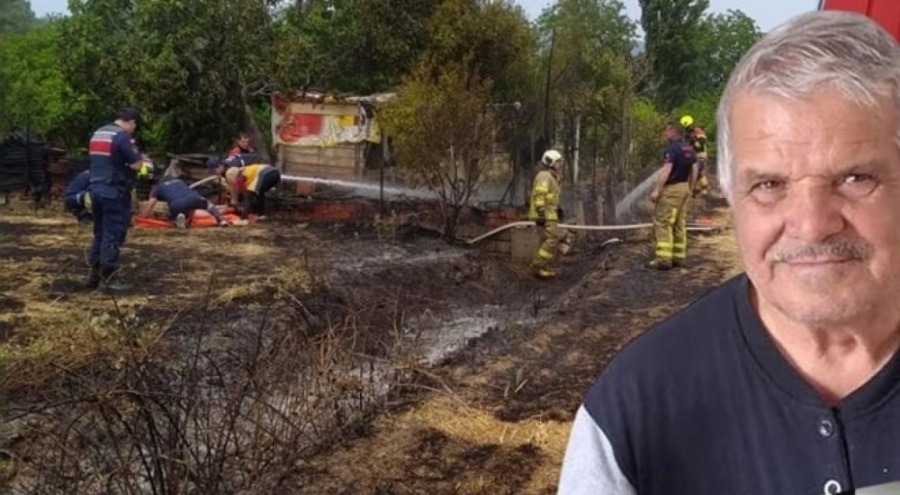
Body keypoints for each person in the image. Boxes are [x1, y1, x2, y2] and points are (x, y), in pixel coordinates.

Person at [557, 10, 900, 495]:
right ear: (732, 196)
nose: (811, 224)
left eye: (854, 177)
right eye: (769, 184)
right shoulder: (635, 413)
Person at [85, 108, 152, 291]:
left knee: (99, 232)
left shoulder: (98, 133)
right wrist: (143, 166)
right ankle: (110, 278)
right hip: (113, 190)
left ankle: (94, 276)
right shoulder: (122, 136)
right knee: (113, 232)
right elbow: (137, 164)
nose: (133, 131)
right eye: (134, 127)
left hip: (95, 188)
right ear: (131, 122)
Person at [646, 123, 697, 270]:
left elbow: (666, 170)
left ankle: (663, 259)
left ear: (673, 132)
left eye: (666, 130)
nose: (664, 133)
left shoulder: (671, 149)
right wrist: (691, 188)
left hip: (671, 190)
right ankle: (678, 257)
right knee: (679, 223)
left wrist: (657, 190)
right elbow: (694, 169)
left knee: (663, 222)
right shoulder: (689, 148)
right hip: (684, 188)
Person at [139, 165, 229, 228]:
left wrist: (141, 219)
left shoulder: (157, 188)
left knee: (183, 210)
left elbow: (150, 205)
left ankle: (180, 217)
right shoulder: (179, 181)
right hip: (193, 198)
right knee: (208, 205)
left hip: (176, 204)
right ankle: (221, 219)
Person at [528, 149, 565, 279]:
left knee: (546, 240)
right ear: (550, 162)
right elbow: (539, 195)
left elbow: (551, 197)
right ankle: (537, 266)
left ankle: (543, 265)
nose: (560, 164)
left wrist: (557, 209)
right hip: (545, 214)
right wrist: (541, 213)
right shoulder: (545, 176)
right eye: (558, 162)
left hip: (550, 213)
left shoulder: (551, 176)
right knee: (551, 239)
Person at [208, 157, 281, 221]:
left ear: (220, 166)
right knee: (259, 193)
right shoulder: (232, 171)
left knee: (249, 194)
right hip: (273, 173)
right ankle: (261, 214)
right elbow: (235, 187)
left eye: (214, 171)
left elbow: (236, 187)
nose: (215, 173)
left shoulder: (230, 172)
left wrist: (234, 200)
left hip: (265, 173)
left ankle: (244, 217)